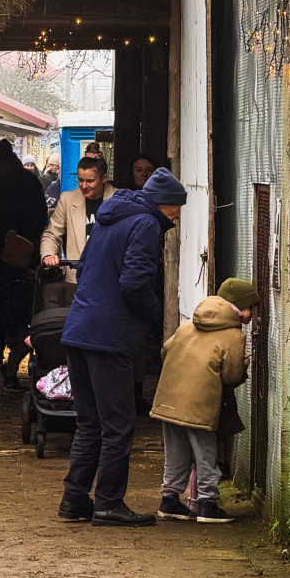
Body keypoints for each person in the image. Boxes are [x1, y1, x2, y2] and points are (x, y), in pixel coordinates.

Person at [57, 167, 187, 527]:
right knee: (118, 424)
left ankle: (74, 498)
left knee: (90, 421)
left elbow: (84, 269)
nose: (176, 218)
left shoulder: (109, 218)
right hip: (109, 336)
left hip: (79, 328)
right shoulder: (145, 225)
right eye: (175, 211)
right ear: (163, 205)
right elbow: (134, 282)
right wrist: (153, 315)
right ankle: (109, 502)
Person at [150, 278, 258, 524]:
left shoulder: (188, 325)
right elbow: (230, 376)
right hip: (200, 405)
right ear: (238, 307)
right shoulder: (234, 336)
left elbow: (165, 351)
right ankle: (207, 505)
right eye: (250, 307)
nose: (252, 314)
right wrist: (243, 368)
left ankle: (169, 500)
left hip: (168, 399)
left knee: (175, 453)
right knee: (206, 453)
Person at [0, 139, 48, 387]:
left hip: (25, 254)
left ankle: (20, 355)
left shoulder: (28, 182)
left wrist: (27, 246)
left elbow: (39, 216)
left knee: (23, 306)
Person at [40, 156, 116, 283]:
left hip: (110, 279)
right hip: (77, 279)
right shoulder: (68, 200)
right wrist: (49, 255)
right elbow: (52, 235)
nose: (84, 186)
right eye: (80, 180)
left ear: (103, 179)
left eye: (90, 181)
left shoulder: (120, 200)